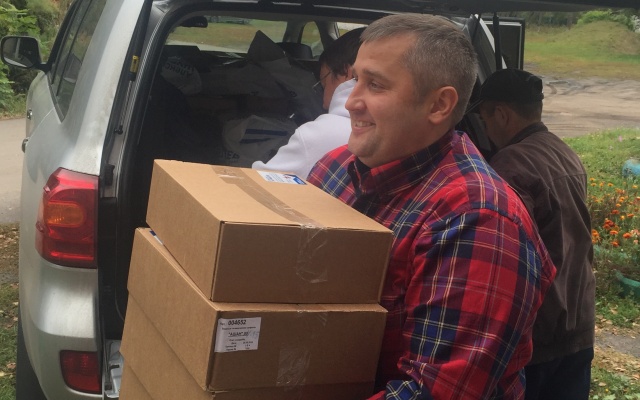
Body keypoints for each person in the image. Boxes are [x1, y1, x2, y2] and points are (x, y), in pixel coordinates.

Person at [307, 14, 556, 399]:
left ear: (439, 105)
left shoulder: (479, 220)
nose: (352, 102)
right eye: (354, 80)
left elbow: (434, 391)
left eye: (375, 85)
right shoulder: (333, 169)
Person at [470, 68, 595, 400]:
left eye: (484, 119)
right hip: (578, 320)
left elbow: (507, 256)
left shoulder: (511, 164)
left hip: (539, 333)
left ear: (501, 114)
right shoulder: (564, 151)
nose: (485, 130)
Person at [252, 28, 364, 178]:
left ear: (347, 73)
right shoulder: (393, 133)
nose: (324, 104)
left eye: (323, 85)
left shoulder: (318, 135)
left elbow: (261, 182)